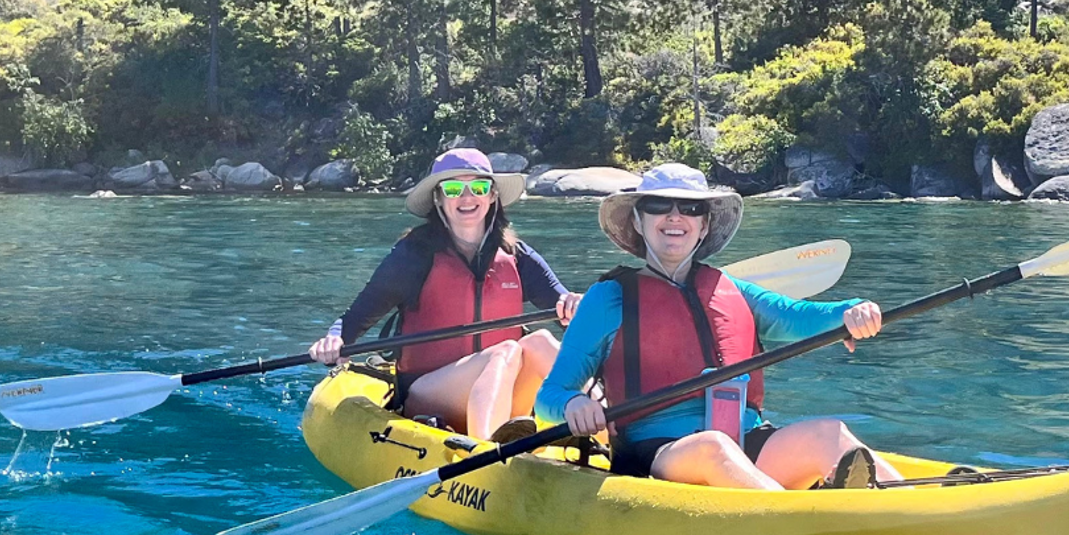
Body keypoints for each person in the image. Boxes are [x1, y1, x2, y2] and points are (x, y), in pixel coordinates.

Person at [534, 163, 901, 490]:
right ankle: (797, 519)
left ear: (704, 225)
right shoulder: (607, 298)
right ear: (637, 221)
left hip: (745, 440)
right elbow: (549, 396)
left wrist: (851, 311)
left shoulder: (733, 290)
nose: (675, 216)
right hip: (656, 455)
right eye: (659, 205)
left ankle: (916, 507)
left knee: (829, 433)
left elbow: (800, 316)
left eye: (691, 208)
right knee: (713, 447)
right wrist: (574, 403)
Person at [308, 148, 577, 439]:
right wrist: (334, 340)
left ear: (492, 196)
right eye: (453, 189)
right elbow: (357, 316)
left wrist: (575, 307)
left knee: (540, 341)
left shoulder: (517, 256)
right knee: (505, 351)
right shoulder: (414, 255)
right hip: (428, 394)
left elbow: (565, 308)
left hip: (504, 393)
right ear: (438, 198)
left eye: (478, 187)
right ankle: (487, 450)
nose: (467, 197)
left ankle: (604, 431)